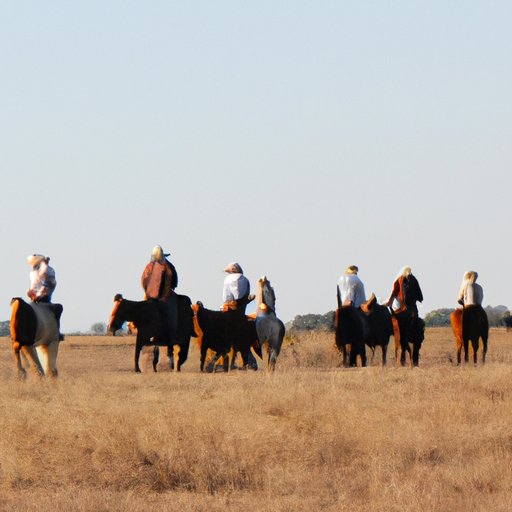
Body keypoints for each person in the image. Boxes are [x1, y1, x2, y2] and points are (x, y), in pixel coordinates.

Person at [141, 245, 178, 341]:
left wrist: (148, 291)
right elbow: (173, 281)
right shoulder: (168, 266)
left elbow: (144, 280)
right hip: (164, 294)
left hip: (153, 294)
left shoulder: (150, 266)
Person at [27, 253, 63, 340]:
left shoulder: (48, 271)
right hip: (37, 297)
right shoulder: (34, 273)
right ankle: (56, 332)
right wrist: (32, 293)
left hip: (43, 297)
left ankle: (56, 332)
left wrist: (39, 294)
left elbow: (48, 285)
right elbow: (34, 286)